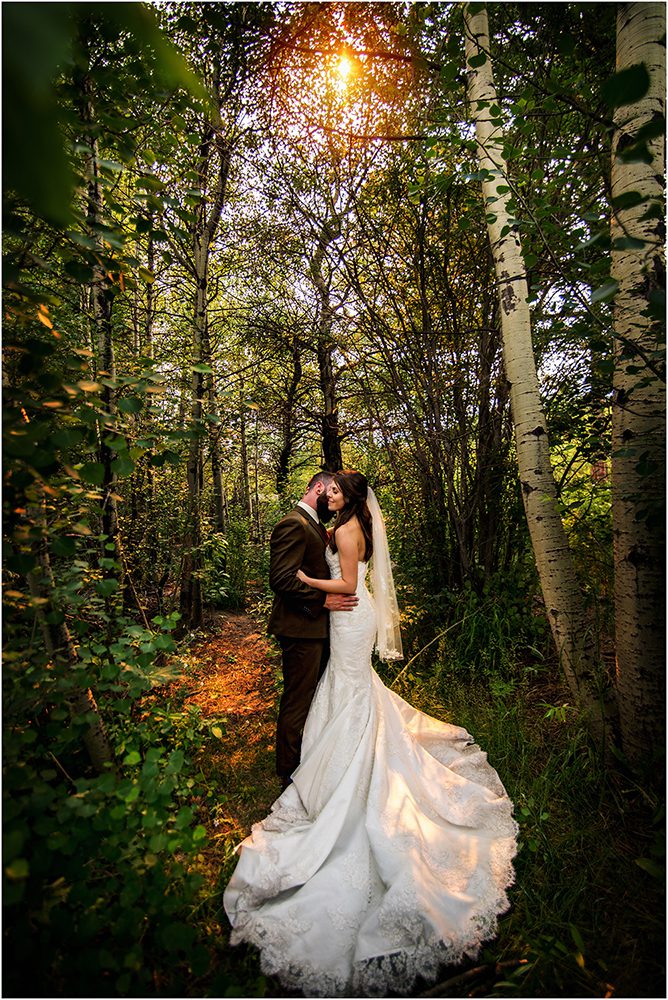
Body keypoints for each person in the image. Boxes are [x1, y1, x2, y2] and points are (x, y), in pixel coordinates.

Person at [224, 471, 518, 998]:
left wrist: (318, 587)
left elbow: (349, 585)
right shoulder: (334, 524)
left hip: (345, 617)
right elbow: (305, 578)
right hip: (336, 619)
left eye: (335, 488)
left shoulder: (343, 529)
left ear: (349, 496)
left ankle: (334, 768)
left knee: (347, 690)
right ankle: (317, 764)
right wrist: (323, 592)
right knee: (338, 692)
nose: (328, 493)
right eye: (326, 488)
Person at [267, 471, 358, 789]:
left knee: (316, 698)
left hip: (316, 629)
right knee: (298, 700)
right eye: (329, 491)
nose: (332, 498)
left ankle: (311, 761)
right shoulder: (293, 523)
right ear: (317, 488)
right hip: (300, 628)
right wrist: (322, 601)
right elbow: (281, 579)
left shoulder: (317, 526)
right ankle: (288, 775)